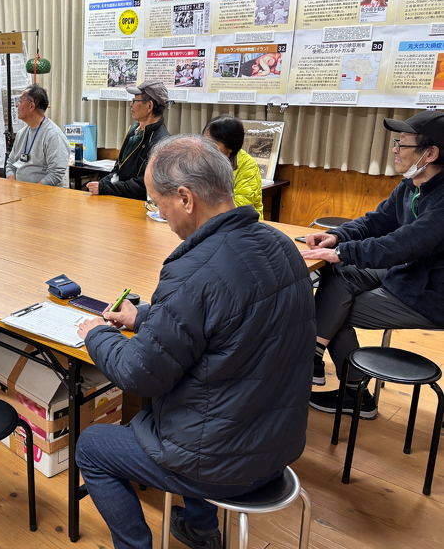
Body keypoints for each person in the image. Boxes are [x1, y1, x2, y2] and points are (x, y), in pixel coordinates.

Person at [75, 134, 315, 549]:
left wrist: (97, 334)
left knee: (93, 446)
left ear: (185, 198)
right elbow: (227, 326)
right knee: (200, 404)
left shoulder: (194, 269)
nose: (160, 215)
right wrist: (145, 317)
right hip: (277, 445)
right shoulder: (279, 243)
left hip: (221, 463)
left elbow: (138, 374)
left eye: (158, 203)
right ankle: (200, 528)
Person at [302, 111, 444, 418]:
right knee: (338, 275)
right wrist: (337, 237)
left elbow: (406, 243)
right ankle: (313, 356)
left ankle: (354, 393)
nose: (394, 150)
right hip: (407, 272)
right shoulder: (411, 185)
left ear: (430, 153)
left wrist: (344, 251)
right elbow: (376, 221)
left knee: (332, 309)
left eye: (402, 144)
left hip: (430, 292)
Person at [86, 80, 170, 199]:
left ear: (149, 106)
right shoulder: (134, 130)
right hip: (120, 198)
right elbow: (118, 169)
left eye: (135, 101)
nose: (131, 104)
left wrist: (105, 188)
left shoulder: (161, 142)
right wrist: (102, 184)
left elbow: (143, 185)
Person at [5, 84, 69, 188]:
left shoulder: (53, 135)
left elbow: (56, 174)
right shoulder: (21, 133)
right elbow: (10, 163)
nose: (17, 105)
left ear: (31, 106)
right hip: (20, 191)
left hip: (43, 194)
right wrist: (13, 185)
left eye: (20, 101)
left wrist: (33, 191)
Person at [202, 115, 263, 219]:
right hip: (209, 220)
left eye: (212, 144)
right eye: (204, 142)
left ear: (230, 146)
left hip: (242, 222)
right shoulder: (203, 159)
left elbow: (240, 207)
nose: (207, 148)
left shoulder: (247, 165)